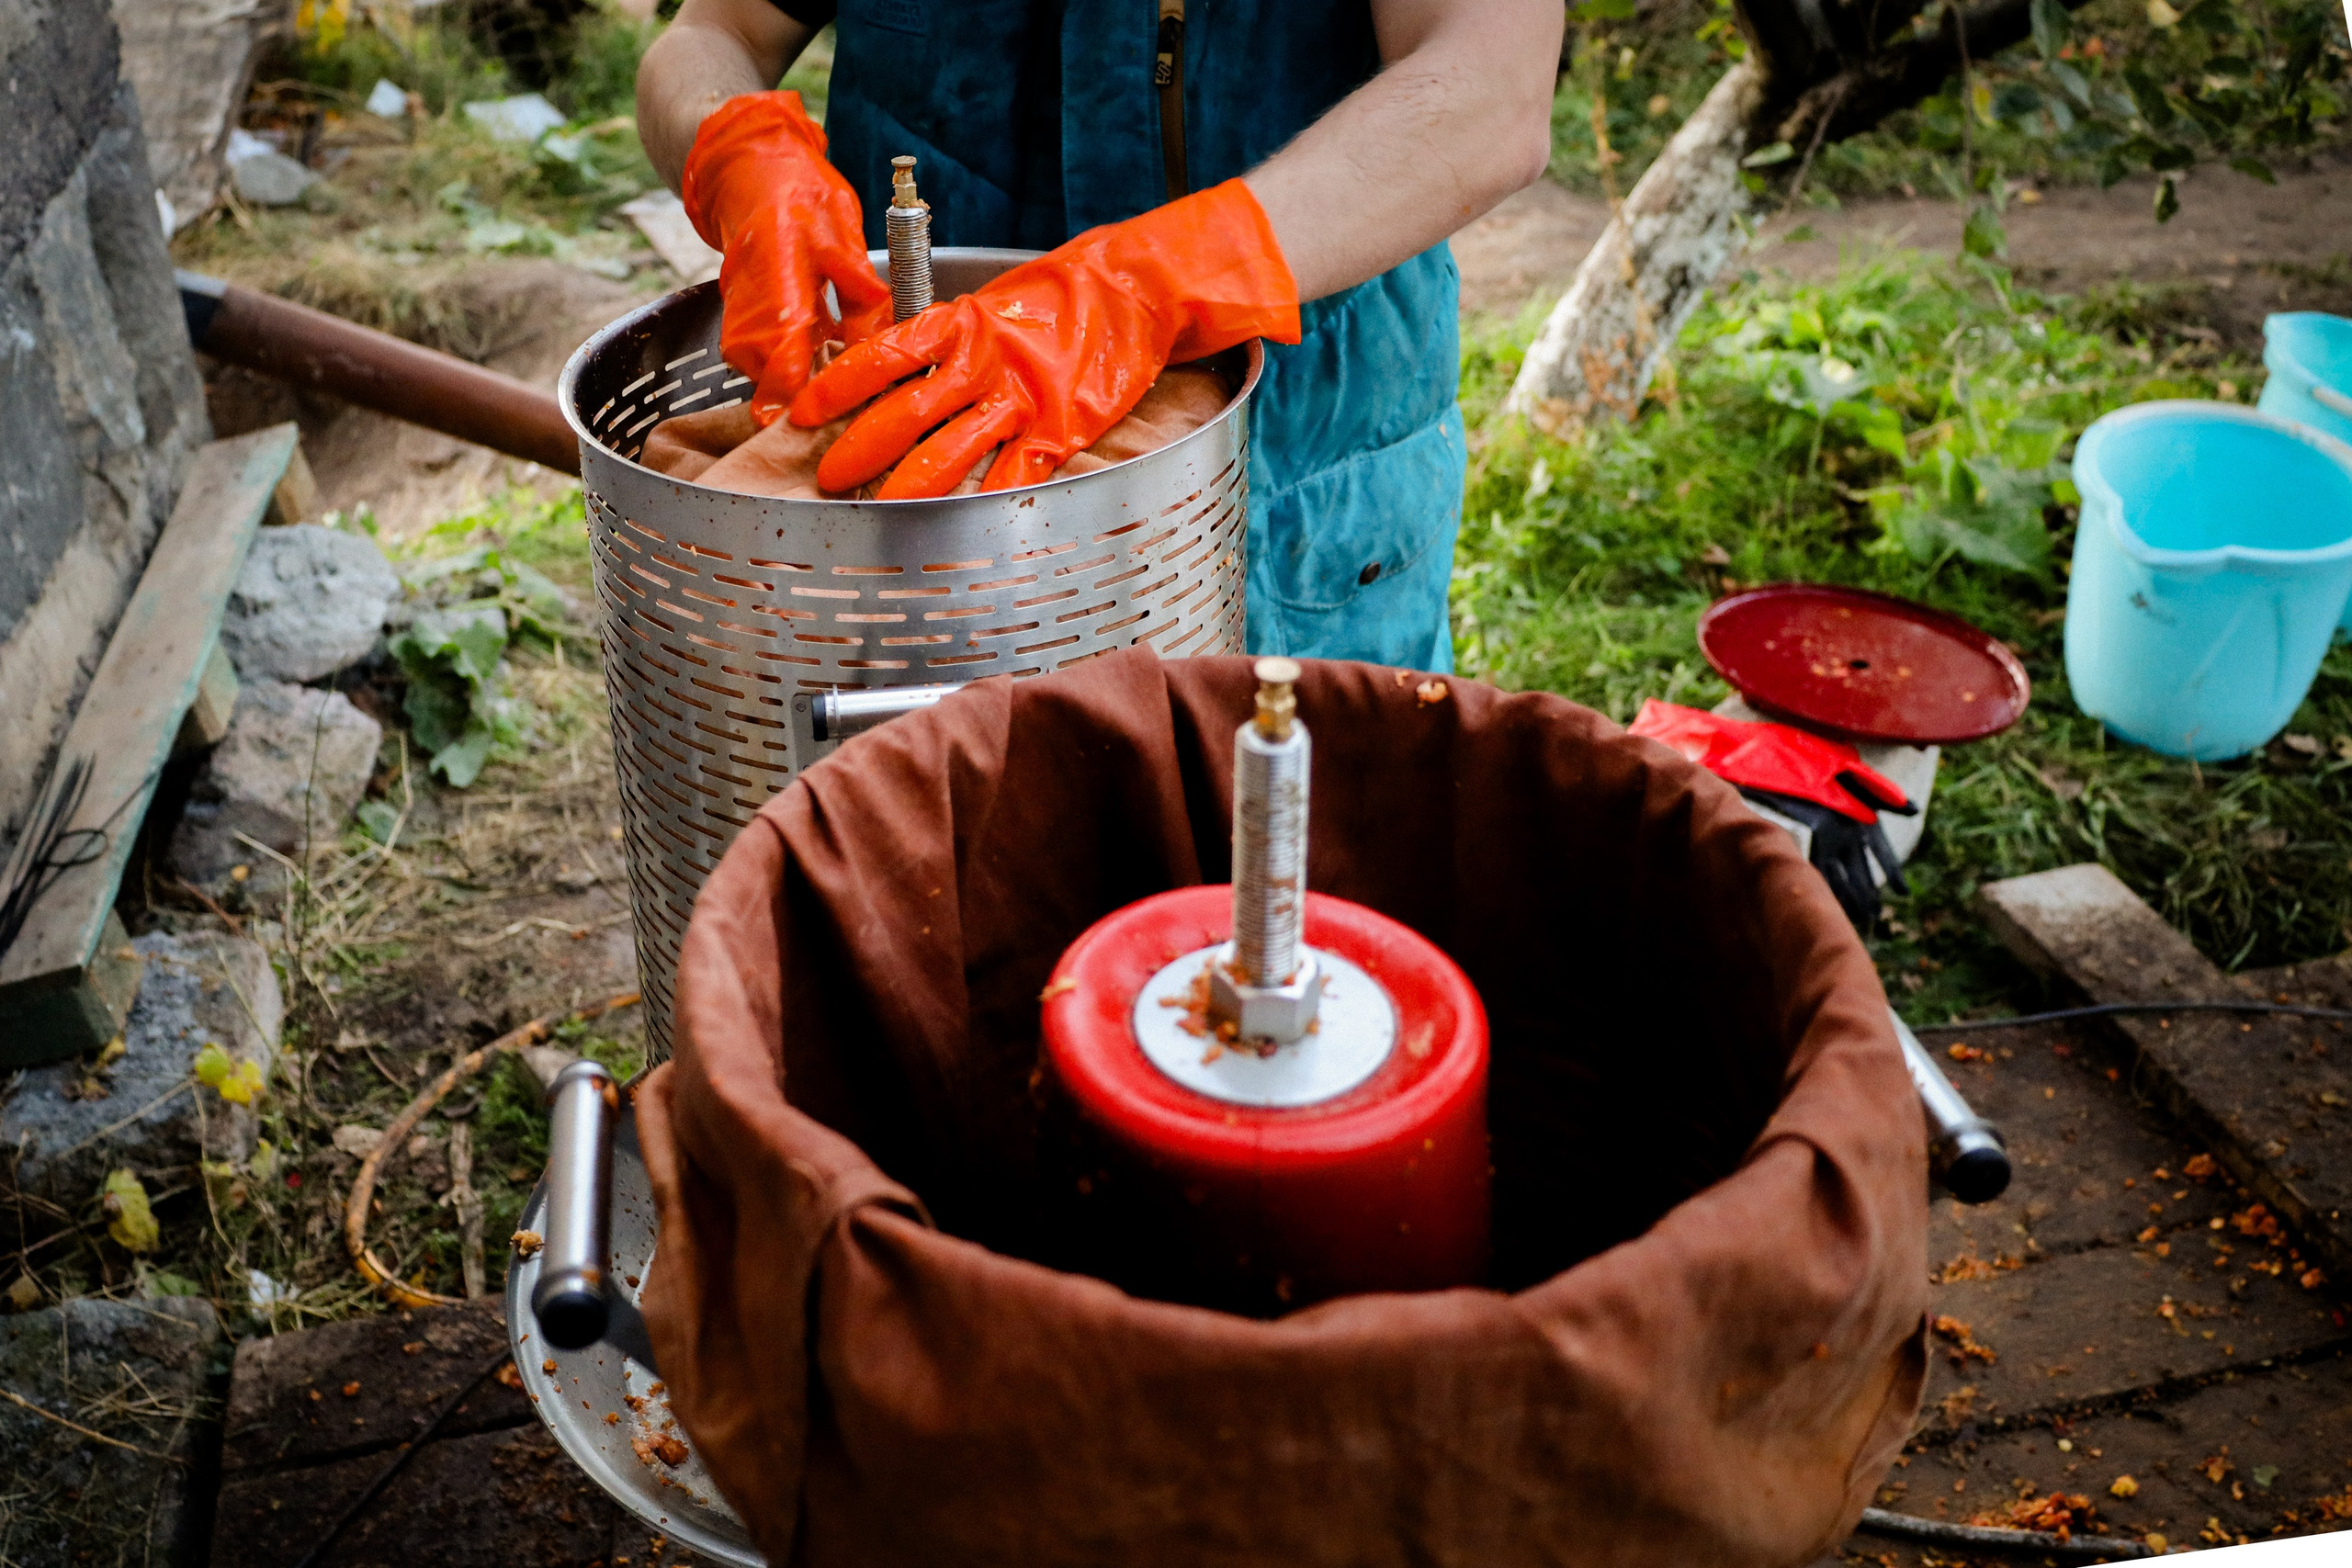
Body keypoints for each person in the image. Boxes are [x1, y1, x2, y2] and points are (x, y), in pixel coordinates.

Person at [638, 0, 1560, 671]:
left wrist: (1144, 288)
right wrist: (732, 147)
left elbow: (1491, 89)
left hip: (1297, 475)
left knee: (1281, 877)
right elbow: (713, 36)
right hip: (915, 490)